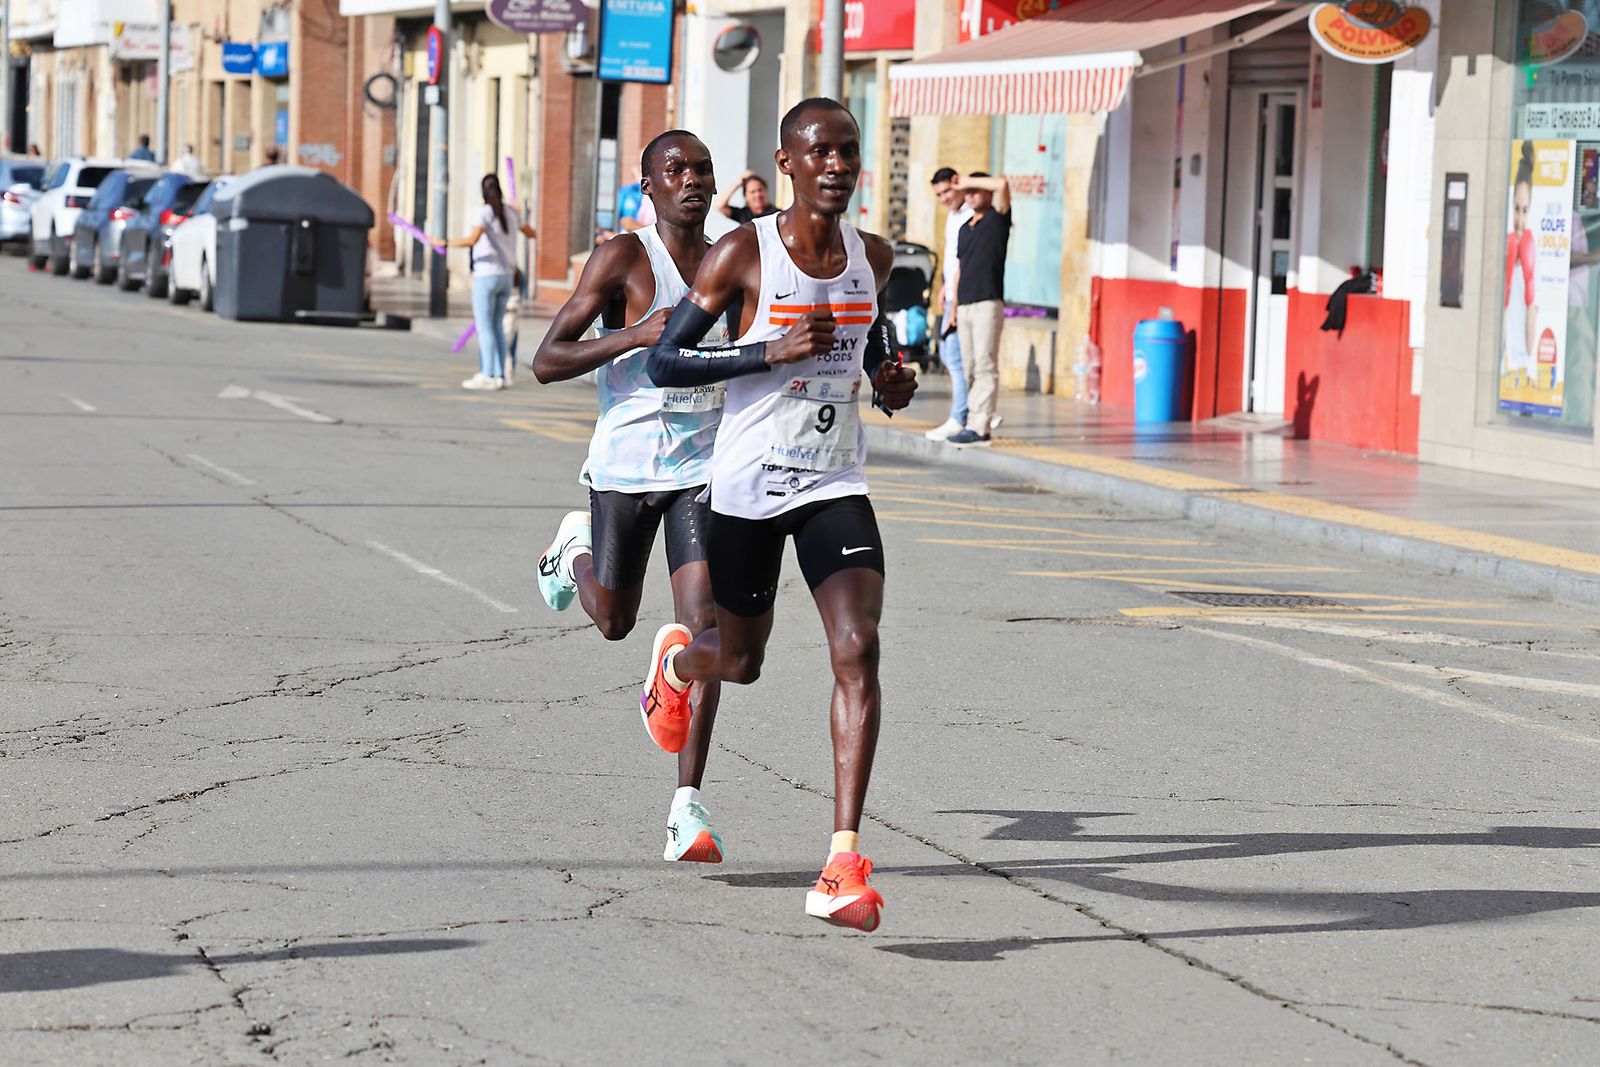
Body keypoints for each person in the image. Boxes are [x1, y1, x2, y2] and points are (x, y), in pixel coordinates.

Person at [637, 98, 919, 932]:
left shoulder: (874, 253)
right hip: (749, 484)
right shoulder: (741, 251)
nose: (836, 166)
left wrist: (892, 378)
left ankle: (841, 861)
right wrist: (765, 350)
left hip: (834, 482)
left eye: (849, 152)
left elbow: (871, 346)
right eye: (819, 153)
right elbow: (664, 359)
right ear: (786, 163)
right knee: (743, 660)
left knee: (857, 646)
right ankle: (682, 670)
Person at [531, 130, 733, 864]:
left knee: (703, 627)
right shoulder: (624, 257)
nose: (692, 180)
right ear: (648, 186)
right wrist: (634, 336)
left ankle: (687, 806)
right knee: (614, 620)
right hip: (623, 468)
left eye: (702, 169)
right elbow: (546, 360)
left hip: (702, 469)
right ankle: (572, 550)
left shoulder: (731, 258)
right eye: (674, 170)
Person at [434, 174, 537, 390]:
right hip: (506, 276)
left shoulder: (484, 213)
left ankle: (488, 373)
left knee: (485, 326)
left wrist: (443, 242)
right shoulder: (511, 212)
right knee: (497, 326)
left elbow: (472, 240)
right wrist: (520, 212)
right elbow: (531, 233)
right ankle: (500, 374)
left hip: (486, 275)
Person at [945, 171, 1011, 447]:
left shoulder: (998, 220)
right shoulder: (964, 228)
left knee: (985, 364)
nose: (970, 195)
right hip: (966, 305)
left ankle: (980, 425)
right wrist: (953, 306)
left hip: (987, 302)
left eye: (975, 190)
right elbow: (960, 268)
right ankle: (973, 421)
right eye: (967, 192)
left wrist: (968, 181)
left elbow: (1002, 185)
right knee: (970, 366)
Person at [923, 166, 973, 441]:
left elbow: (965, 261)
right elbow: (951, 257)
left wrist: (954, 302)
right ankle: (970, 409)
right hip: (952, 292)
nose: (944, 198)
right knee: (951, 355)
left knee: (954, 356)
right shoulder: (953, 216)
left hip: (962, 296)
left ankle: (960, 415)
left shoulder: (969, 215)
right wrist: (944, 286)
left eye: (947, 191)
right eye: (939, 194)